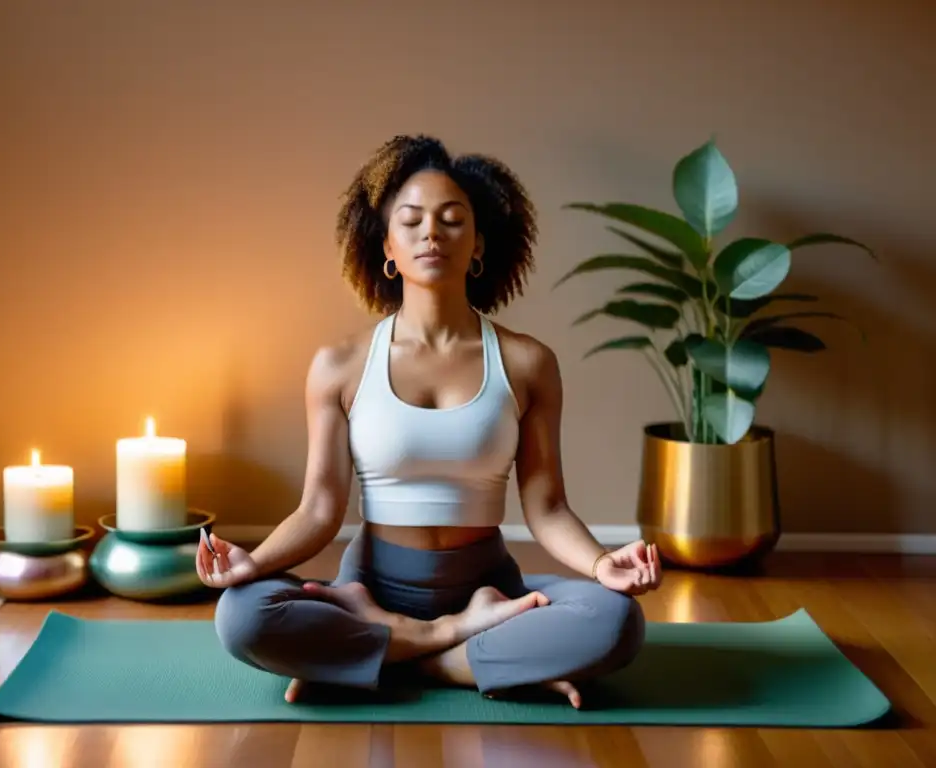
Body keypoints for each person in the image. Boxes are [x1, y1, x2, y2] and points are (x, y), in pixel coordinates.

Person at [196, 134, 663, 710]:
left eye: (452, 219)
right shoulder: (339, 366)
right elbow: (320, 509)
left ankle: (384, 657)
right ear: (387, 247)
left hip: (490, 587)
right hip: (368, 588)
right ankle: (458, 646)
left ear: (479, 244)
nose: (431, 233)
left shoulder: (527, 363)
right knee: (241, 616)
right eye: (411, 221)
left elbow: (547, 506)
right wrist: (255, 561)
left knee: (616, 620)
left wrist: (601, 563)